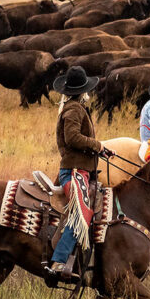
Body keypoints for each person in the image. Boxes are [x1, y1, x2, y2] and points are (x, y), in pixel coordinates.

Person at [45, 66, 110, 282]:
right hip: (73, 173)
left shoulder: (75, 107)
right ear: (83, 90)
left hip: (81, 171)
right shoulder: (74, 110)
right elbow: (72, 138)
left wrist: (101, 149)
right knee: (81, 215)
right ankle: (58, 261)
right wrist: (98, 145)